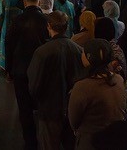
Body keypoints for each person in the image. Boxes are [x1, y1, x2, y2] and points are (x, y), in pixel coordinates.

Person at [28, 11, 82, 150]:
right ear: (66, 26)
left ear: (49, 26)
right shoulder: (78, 50)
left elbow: (34, 85)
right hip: (72, 109)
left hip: (49, 109)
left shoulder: (42, 52)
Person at [5, 0, 49, 150]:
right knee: (43, 103)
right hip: (42, 69)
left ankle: (30, 141)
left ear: (24, 2)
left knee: (24, 107)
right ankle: (46, 138)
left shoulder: (17, 20)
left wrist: (9, 69)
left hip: (21, 69)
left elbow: (9, 45)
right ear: (38, 1)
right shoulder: (46, 20)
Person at [68, 39, 125, 150]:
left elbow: (73, 121)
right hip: (115, 139)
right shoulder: (119, 79)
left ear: (89, 57)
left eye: (83, 52)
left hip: (90, 141)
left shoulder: (82, 86)